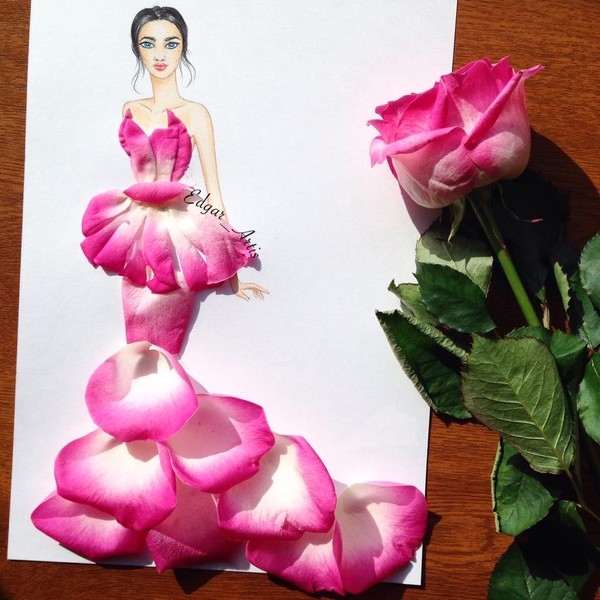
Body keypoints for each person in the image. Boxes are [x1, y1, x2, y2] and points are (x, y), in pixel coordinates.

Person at [80, 6, 266, 354]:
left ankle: (163, 363)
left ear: (184, 47)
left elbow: (214, 192)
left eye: (171, 43)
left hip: (181, 224)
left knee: (172, 310)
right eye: (148, 44)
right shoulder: (130, 108)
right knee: (135, 306)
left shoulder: (196, 113)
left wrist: (233, 275)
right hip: (132, 223)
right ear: (136, 49)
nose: (160, 55)